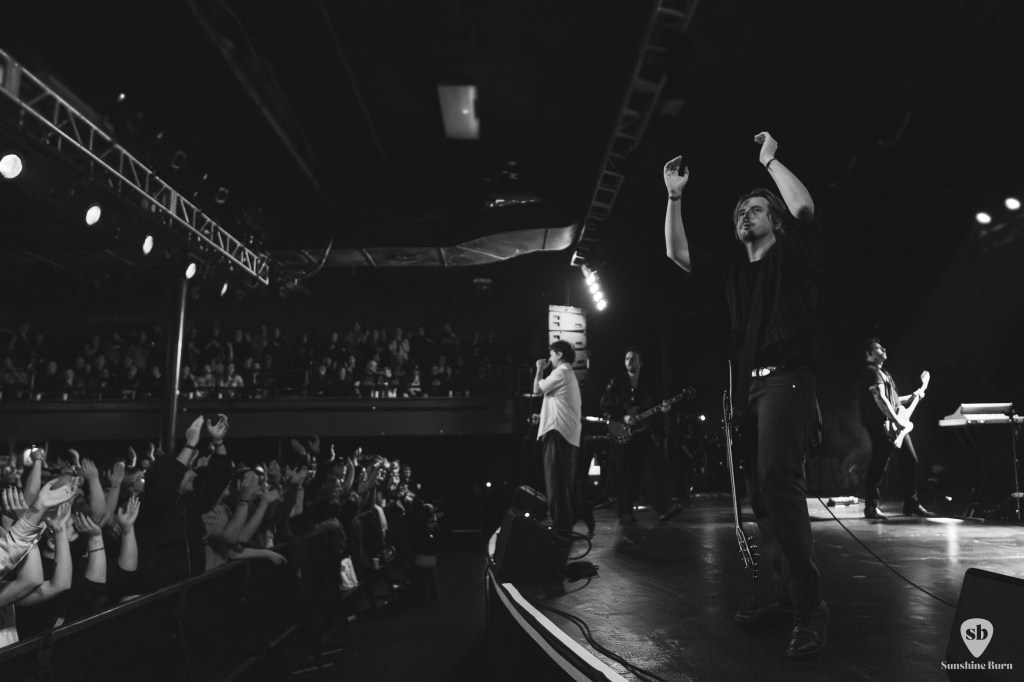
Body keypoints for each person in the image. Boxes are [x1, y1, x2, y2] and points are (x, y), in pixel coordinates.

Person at [663, 131, 827, 659]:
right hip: (750, 388)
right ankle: (784, 596)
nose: (745, 216)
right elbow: (676, 252)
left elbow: (803, 208)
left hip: (789, 380)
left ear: (772, 220)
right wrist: (674, 196)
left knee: (780, 482)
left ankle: (811, 609)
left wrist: (771, 161)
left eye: (756, 209)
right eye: (740, 212)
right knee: (760, 498)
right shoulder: (735, 270)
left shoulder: (793, 254)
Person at [600, 346, 682, 525]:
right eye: (627, 358)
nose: (629, 361)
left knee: (653, 469)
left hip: (643, 434)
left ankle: (663, 509)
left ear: (640, 362)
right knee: (625, 474)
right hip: (622, 434)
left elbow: (652, 408)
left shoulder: (648, 384)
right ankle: (625, 513)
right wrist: (623, 416)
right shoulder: (616, 382)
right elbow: (606, 406)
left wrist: (663, 408)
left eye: (633, 358)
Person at [859, 338, 933, 519]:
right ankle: (870, 507)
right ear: (868, 354)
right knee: (879, 463)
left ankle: (911, 504)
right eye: (877, 347)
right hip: (881, 424)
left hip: (893, 423)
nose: (883, 348)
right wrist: (897, 422)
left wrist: (912, 396)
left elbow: (894, 401)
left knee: (910, 460)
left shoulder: (884, 373)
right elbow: (880, 399)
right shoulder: (870, 372)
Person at [533, 340, 582, 534]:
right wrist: (542, 416)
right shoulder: (567, 374)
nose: (549, 358)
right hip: (563, 434)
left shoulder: (561, 372)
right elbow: (557, 403)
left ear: (560, 354)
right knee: (561, 487)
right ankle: (563, 529)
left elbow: (537, 389)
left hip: (558, 434)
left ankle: (561, 533)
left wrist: (538, 369)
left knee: (556, 487)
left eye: (552, 354)